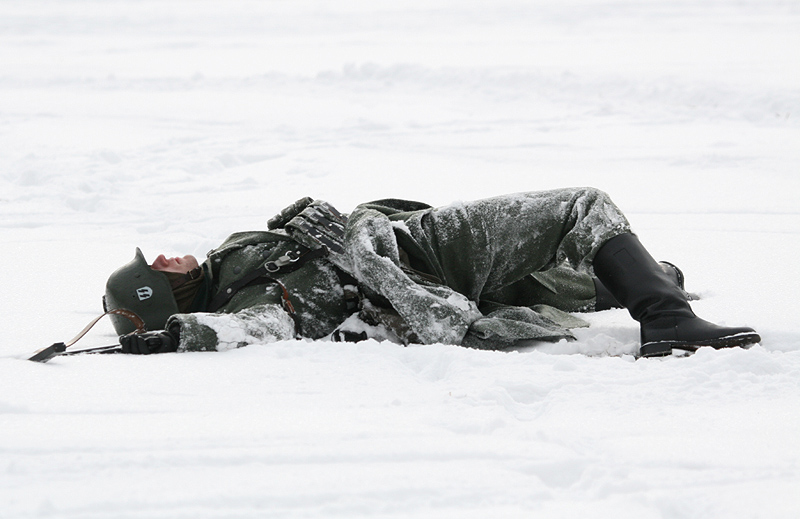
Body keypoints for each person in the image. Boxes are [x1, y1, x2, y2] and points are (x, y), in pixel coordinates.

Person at [103, 188, 760, 358]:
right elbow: (255, 328)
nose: (162, 258)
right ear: (169, 294)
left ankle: (659, 291)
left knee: (638, 271)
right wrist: (180, 334)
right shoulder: (248, 301)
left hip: (421, 259)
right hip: (432, 257)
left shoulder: (228, 258)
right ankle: (668, 323)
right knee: (580, 207)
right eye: (156, 272)